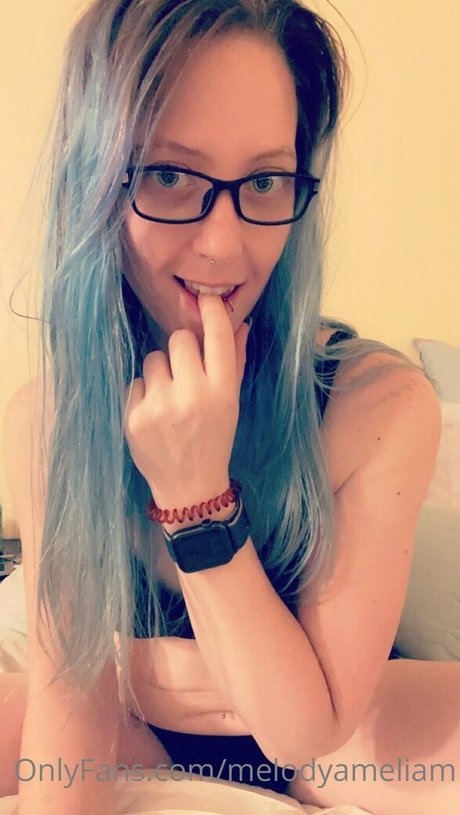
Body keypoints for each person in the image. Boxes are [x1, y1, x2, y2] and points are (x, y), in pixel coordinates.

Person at [2, 1, 459, 813]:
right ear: (97, 178)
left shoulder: (378, 404)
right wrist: (124, 678)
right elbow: (71, 692)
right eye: (169, 175)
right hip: (138, 726)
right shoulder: (49, 417)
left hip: (338, 725)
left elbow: (301, 727)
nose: (223, 244)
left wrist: (194, 497)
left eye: (264, 180)